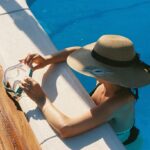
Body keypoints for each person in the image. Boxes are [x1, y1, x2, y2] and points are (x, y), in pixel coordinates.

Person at [20, 35, 150, 144]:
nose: (88, 64)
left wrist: (41, 98)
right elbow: (75, 52)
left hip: (127, 145)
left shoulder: (122, 100)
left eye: (93, 64)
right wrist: (48, 59)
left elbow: (66, 129)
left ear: (103, 71)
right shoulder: (107, 79)